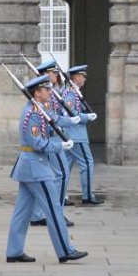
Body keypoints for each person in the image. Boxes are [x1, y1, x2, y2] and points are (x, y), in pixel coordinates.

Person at [5, 76, 88, 264]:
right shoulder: (32, 114)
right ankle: (65, 250)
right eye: (46, 89)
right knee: (53, 209)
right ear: (36, 93)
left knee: (23, 211)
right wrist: (59, 145)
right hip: (36, 168)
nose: (50, 92)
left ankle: (14, 251)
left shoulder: (37, 110)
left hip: (31, 166)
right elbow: (37, 143)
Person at [30, 60, 79, 226]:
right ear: (45, 75)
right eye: (53, 72)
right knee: (62, 175)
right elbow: (53, 118)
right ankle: (56, 214)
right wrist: (71, 121)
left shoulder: (52, 93)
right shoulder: (45, 98)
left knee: (46, 179)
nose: (56, 75)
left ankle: (38, 215)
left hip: (53, 138)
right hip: (52, 139)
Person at [61, 64, 102, 205]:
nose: (85, 78)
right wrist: (87, 117)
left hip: (71, 135)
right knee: (87, 163)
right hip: (76, 134)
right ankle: (88, 196)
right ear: (76, 77)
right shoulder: (71, 93)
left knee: (65, 168)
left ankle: (61, 196)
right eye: (83, 76)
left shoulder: (73, 92)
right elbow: (71, 114)